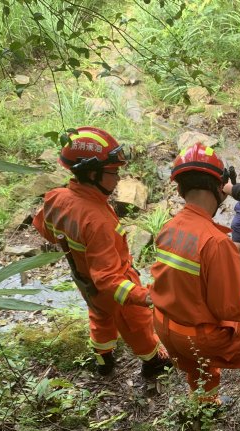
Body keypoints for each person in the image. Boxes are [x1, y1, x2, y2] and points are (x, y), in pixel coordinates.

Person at [149, 143, 240, 430]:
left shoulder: (170, 228)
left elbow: (193, 287)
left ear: (181, 189)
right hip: (200, 334)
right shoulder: (216, 242)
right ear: (219, 187)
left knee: (196, 367)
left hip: (165, 327)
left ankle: (207, 408)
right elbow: (229, 306)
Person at [32, 126, 170, 379]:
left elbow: (46, 229)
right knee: (137, 324)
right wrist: (143, 296)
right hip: (115, 286)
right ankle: (153, 362)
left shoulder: (56, 197)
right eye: (113, 172)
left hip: (83, 278)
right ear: (93, 174)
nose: (118, 179)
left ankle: (103, 359)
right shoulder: (97, 220)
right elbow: (107, 279)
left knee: (98, 315)